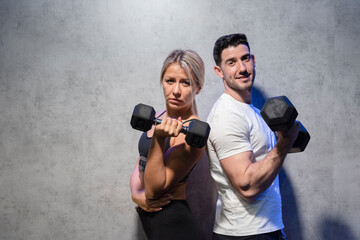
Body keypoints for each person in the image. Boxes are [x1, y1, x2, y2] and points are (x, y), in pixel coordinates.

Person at [206, 33, 300, 240]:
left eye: (245, 58)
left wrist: (288, 140)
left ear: (253, 60)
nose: (242, 68)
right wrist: (283, 145)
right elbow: (246, 186)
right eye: (231, 62)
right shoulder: (227, 115)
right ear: (219, 71)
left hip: (266, 228)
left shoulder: (255, 112)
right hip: (244, 234)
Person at [130, 49, 206, 240]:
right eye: (170, 80)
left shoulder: (191, 135)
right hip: (155, 224)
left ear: (198, 88)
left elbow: (155, 189)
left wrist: (158, 138)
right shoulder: (159, 117)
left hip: (174, 224)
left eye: (185, 83)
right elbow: (142, 161)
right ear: (162, 81)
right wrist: (135, 193)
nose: (176, 91)